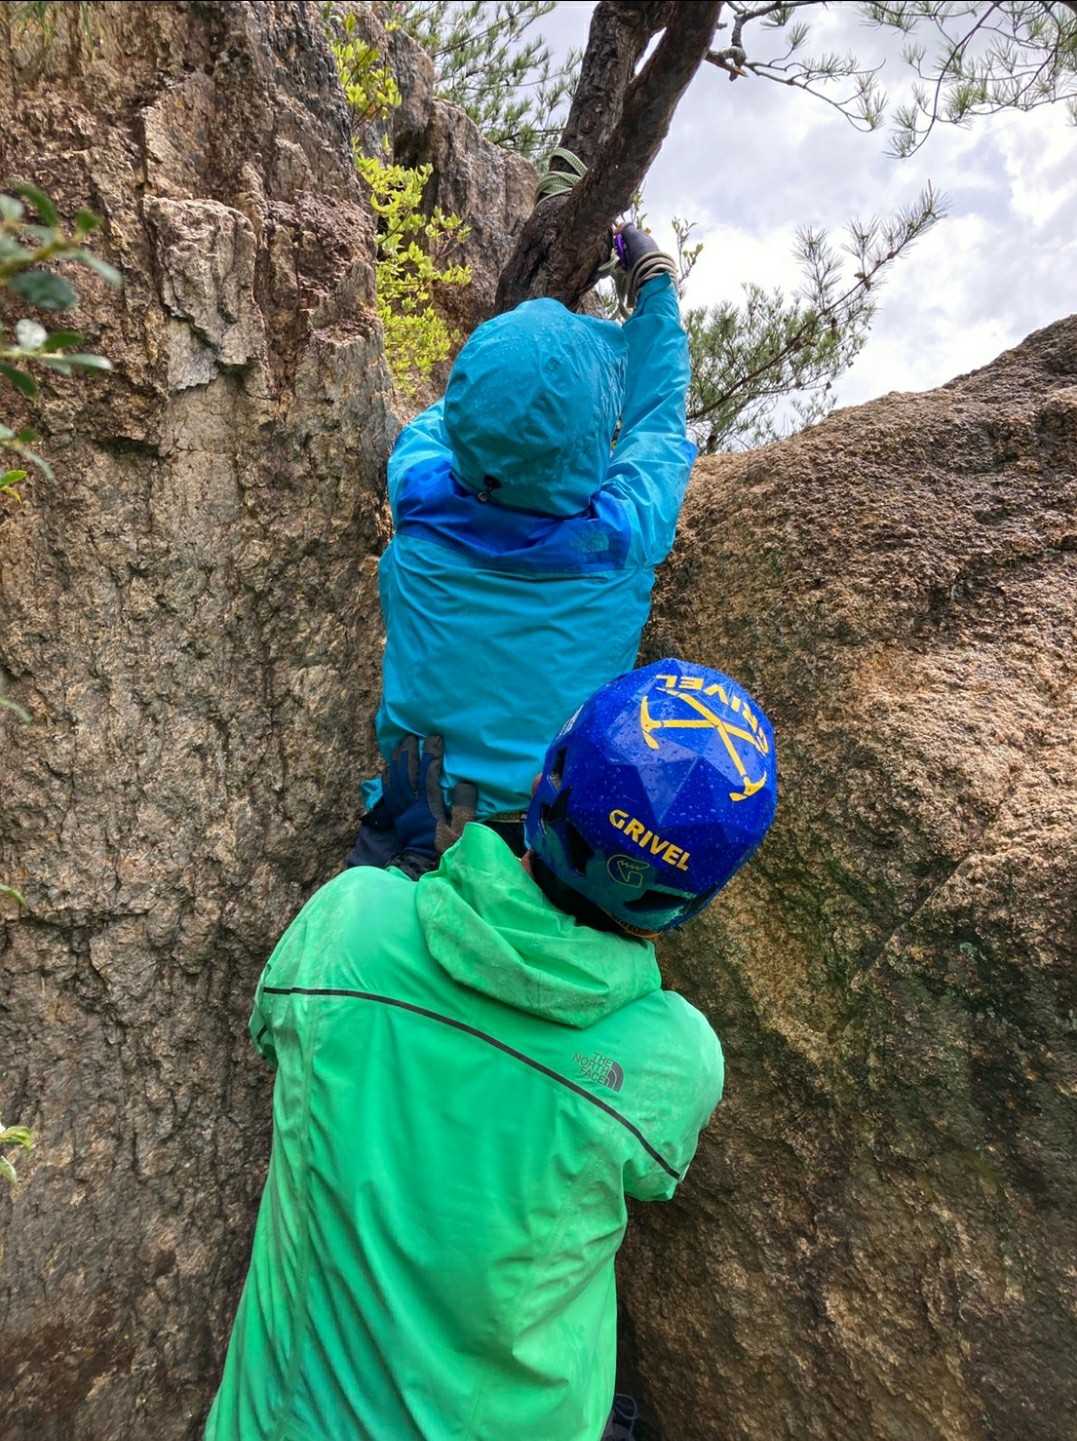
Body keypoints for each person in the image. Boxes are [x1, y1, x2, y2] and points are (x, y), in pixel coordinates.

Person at [205, 658, 778, 1441]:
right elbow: (645, 1174)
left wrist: (414, 871)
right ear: (695, 900)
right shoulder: (675, 1061)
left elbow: (277, 1032)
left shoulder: (350, 920)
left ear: (546, 783)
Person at [348, 224, 695, 871]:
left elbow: (456, 414)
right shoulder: (621, 533)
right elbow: (657, 419)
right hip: (538, 851)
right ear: (589, 444)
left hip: (410, 826)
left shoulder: (416, 491)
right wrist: (654, 292)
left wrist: (511, 358)